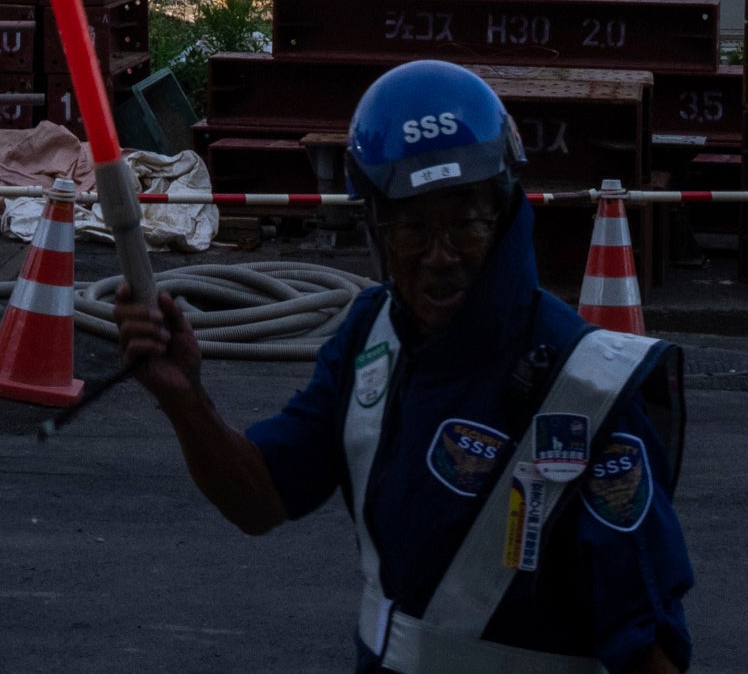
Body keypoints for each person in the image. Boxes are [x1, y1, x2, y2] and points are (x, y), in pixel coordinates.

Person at [118, 60, 695, 672]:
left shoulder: (591, 397)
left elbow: (649, 651)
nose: (439, 255)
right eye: (412, 227)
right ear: (374, 229)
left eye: (464, 221)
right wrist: (187, 401)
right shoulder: (371, 341)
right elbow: (261, 500)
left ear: (503, 213)